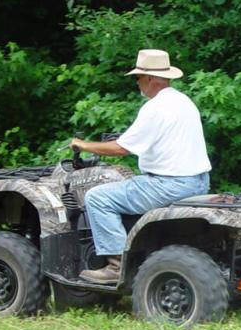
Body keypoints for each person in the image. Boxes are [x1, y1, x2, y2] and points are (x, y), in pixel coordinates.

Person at [71, 48, 212, 285]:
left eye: (137, 78)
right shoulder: (183, 101)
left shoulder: (154, 108)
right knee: (131, 186)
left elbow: (120, 149)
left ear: (148, 78)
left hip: (169, 185)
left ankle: (115, 266)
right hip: (198, 182)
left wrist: (82, 145)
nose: (137, 83)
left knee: (97, 198)